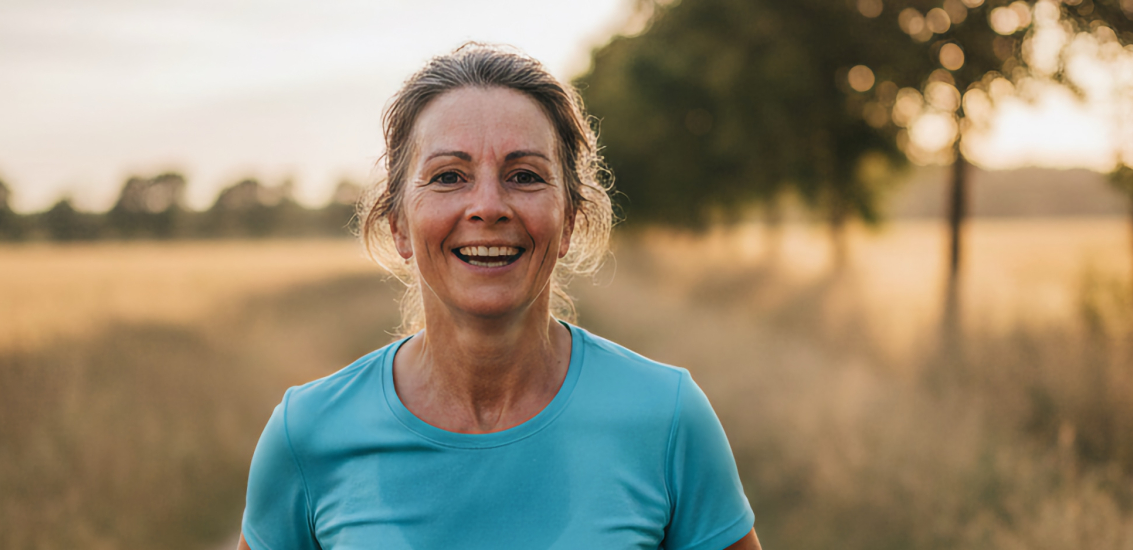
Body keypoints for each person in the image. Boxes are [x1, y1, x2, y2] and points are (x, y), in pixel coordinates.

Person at [238, 43, 759, 550]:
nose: (488, 205)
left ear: (570, 219)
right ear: (398, 224)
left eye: (525, 176)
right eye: (448, 177)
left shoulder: (666, 418)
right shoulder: (306, 434)